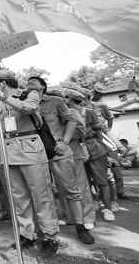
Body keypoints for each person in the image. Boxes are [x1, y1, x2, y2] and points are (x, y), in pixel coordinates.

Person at [0, 69, 59, 257]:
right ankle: (27, 234)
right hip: (8, 152)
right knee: (19, 198)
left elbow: (28, 109)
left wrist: (3, 96)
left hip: (30, 149)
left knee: (41, 194)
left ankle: (50, 235)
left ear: (2, 83)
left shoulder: (29, 94)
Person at [28, 78, 94, 244]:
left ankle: (81, 227)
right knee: (41, 192)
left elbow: (71, 121)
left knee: (70, 190)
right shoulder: (24, 103)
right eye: (28, 81)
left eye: (34, 81)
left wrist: (64, 142)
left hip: (58, 151)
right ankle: (45, 230)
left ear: (43, 86)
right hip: (35, 152)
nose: (29, 83)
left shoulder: (55, 101)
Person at [64, 88, 116, 222]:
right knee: (86, 181)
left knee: (101, 180)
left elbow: (98, 131)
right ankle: (95, 201)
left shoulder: (88, 112)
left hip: (94, 148)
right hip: (78, 149)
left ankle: (108, 208)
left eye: (66, 98)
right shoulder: (66, 112)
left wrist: (101, 146)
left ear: (70, 99)